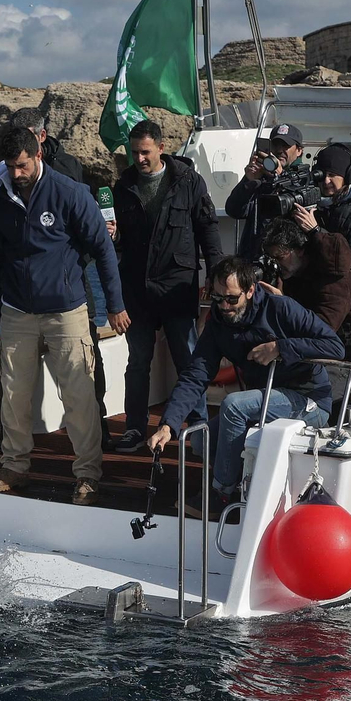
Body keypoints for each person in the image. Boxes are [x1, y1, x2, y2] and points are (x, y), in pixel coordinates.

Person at [0, 126, 130, 504]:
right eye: (10, 167)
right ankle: (13, 466)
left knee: (78, 394)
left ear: (38, 155)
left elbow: (103, 250)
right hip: (16, 311)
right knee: (13, 395)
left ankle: (88, 474)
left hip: (67, 311)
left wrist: (115, 304)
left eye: (23, 165)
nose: (16, 173)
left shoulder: (71, 194)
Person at [148, 257, 344, 502]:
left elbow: (335, 347)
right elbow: (195, 375)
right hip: (266, 398)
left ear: (250, 290)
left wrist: (280, 347)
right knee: (200, 440)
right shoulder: (218, 324)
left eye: (231, 299)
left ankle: (220, 494)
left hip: (309, 399)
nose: (224, 306)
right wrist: (168, 424)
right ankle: (243, 481)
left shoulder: (281, 308)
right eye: (217, 298)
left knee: (234, 406)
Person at [109, 118, 223, 452]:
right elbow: (115, 244)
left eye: (144, 152)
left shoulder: (189, 181)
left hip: (177, 286)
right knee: (137, 362)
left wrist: (216, 274)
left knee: (187, 360)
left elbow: (208, 229)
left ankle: (199, 427)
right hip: (137, 290)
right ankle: (134, 428)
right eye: (134, 153)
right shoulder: (123, 186)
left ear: (161, 147)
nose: (139, 159)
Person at [260, 217, 351, 360]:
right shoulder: (293, 276)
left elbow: (321, 332)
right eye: (271, 259)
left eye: (280, 258)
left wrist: (283, 304)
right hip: (312, 358)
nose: (275, 265)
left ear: (300, 250)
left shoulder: (335, 281)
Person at [226, 123, 315, 259]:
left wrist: (281, 177)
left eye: (285, 146)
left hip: (285, 260)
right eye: (275, 145)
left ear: (299, 150)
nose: (279, 150)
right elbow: (234, 210)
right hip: (253, 257)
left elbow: (301, 215)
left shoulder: (306, 178)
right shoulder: (262, 176)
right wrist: (249, 181)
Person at [299, 143, 351, 275]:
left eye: (332, 175)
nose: (326, 181)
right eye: (321, 174)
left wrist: (315, 231)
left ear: (348, 176)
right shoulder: (312, 201)